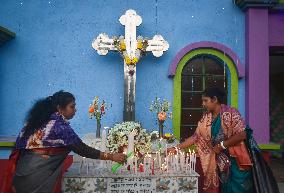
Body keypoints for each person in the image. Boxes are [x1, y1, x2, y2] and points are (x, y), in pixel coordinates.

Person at [2, 91, 126, 193]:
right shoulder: (58, 125)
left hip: (22, 172)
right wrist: (111, 156)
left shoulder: (37, 121)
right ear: (60, 109)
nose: (75, 110)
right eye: (72, 106)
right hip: (38, 175)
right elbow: (81, 149)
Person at [168, 87, 254, 193]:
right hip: (219, 162)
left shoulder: (231, 113)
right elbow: (195, 137)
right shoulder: (206, 119)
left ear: (215, 99)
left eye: (205, 100)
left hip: (236, 161)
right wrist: (176, 148)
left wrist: (221, 145)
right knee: (224, 188)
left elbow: (242, 134)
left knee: (238, 189)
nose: (203, 104)